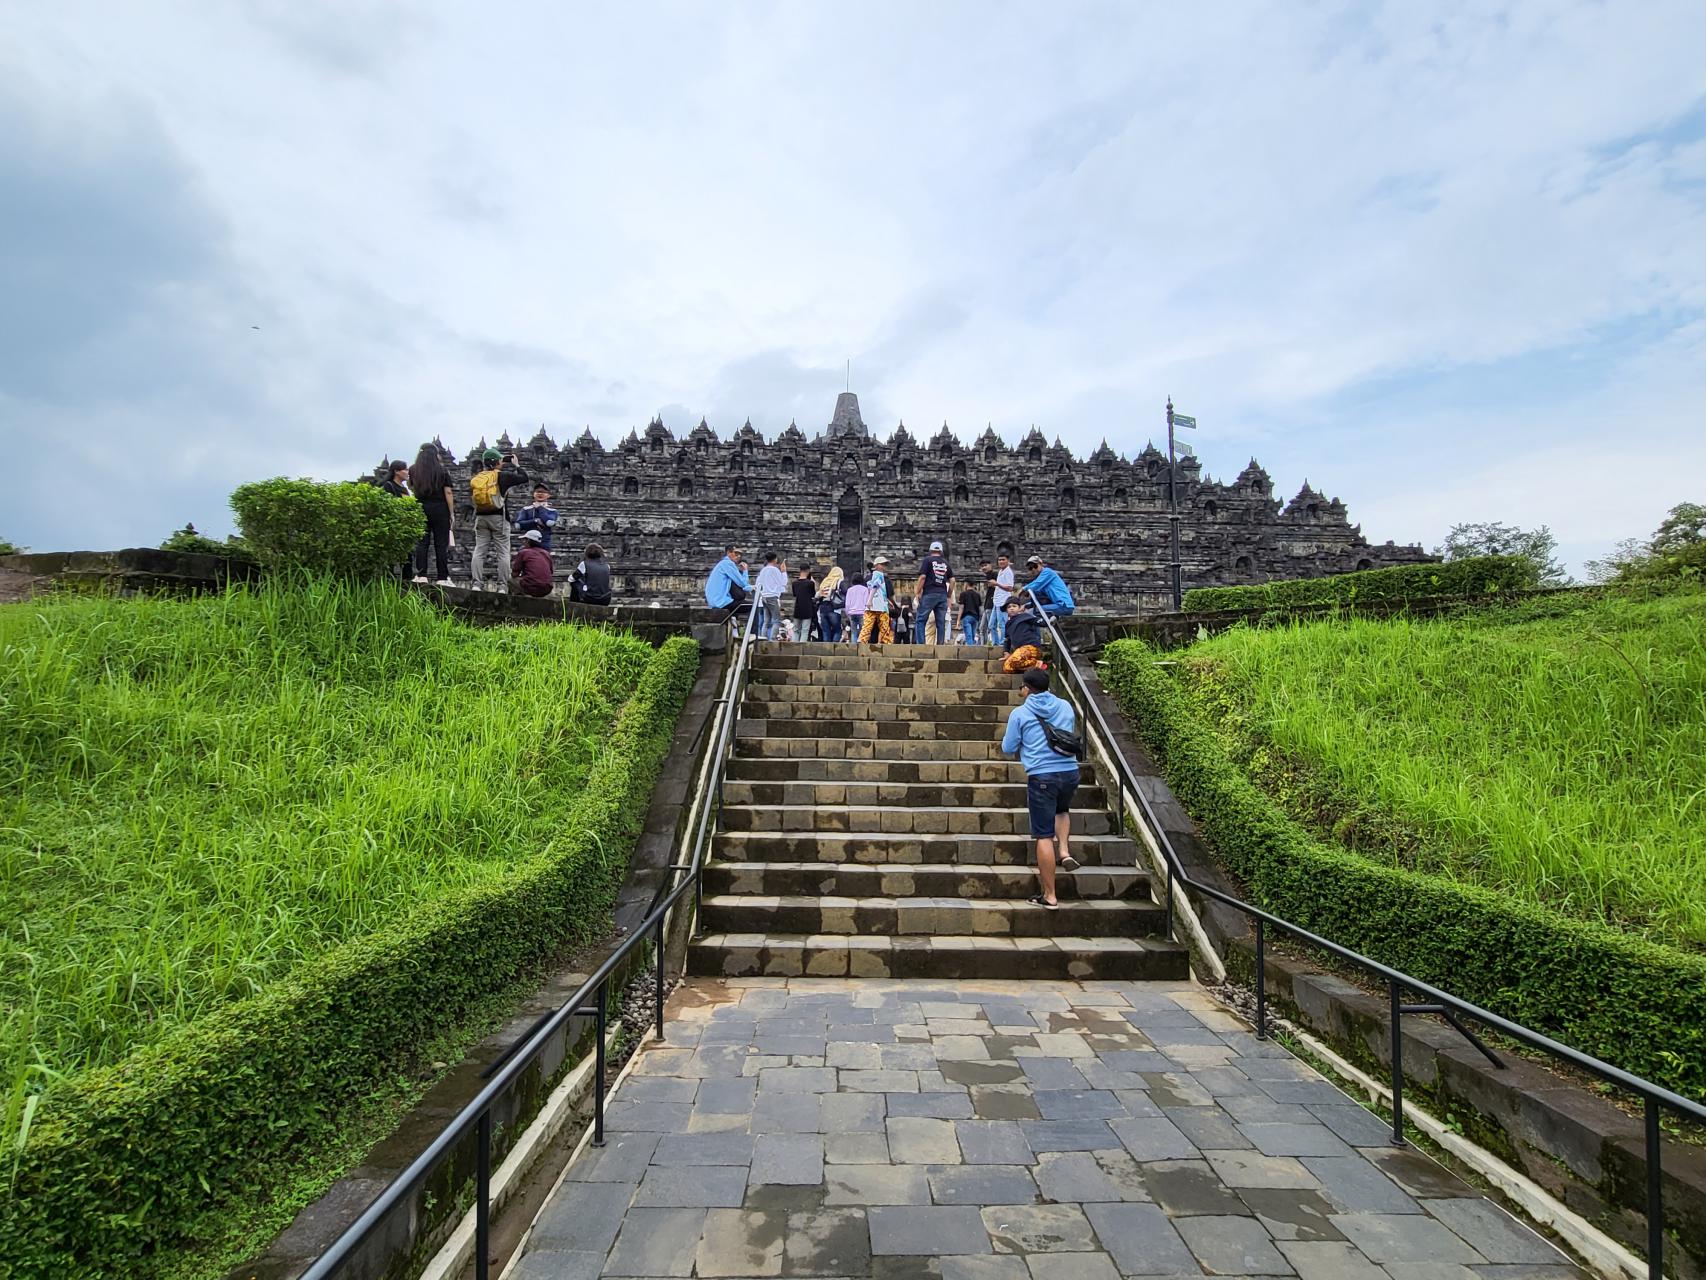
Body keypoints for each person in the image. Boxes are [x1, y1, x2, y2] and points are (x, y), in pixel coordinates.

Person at [1002, 666, 1083, 910]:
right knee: (1062, 809)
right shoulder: (1065, 706)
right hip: (1069, 772)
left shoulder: (1021, 714)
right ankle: (1065, 851)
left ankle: (1050, 895)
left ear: (1027, 688)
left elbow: (1008, 746)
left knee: (1043, 835)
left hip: (1042, 775)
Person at [470, 448, 530, 591]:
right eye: (501, 461)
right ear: (497, 462)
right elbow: (524, 477)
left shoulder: (478, 477)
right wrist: (516, 465)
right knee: (503, 552)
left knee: (479, 551)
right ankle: (502, 586)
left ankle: (476, 584)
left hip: (480, 517)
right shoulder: (502, 476)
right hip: (499, 517)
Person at [409, 444, 455, 586]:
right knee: (441, 544)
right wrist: (451, 513)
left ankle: (421, 575)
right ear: (435, 454)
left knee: (422, 543)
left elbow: (411, 487)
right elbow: (448, 492)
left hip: (421, 508)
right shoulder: (442, 471)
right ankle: (442, 577)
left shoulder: (413, 470)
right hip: (440, 509)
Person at [914, 540, 954, 644]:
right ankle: (940, 645)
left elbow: (922, 577)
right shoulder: (946, 563)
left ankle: (921, 645)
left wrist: (917, 591)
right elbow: (952, 580)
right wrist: (949, 595)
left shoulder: (928, 560)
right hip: (942, 595)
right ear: (941, 551)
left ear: (931, 550)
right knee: (940, 623)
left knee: (921, 620)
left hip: (929, 593)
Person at [704, 545, 751, 623]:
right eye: (736, 553)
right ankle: (754, 633)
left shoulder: (721, 565)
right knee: (753, 606)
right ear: (729, 552)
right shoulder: (728, 563)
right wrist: (745, 571)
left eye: (740, 554)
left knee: (739, 600)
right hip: (722, 602)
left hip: (715, 602)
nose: (738, 556)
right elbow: (743, 583)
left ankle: (734, 625)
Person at [1001, 597, 1046, 674]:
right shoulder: (1008, 624)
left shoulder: (1025, 616)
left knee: (1014, 661)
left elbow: (1038, 621)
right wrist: (1006, 652)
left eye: (1014, 606)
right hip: (1020, 652)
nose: (1011, 608)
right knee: (1007, 668)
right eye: (1009, 607)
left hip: (1031, 647)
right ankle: (1034, 665)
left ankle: (1035, 664)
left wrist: (1050, 619)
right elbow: (1007, 639)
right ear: (1006, 610)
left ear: (1019, 608)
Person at [858, 556, 895, 645]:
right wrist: (870, 600)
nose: (884, 566)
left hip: (875, 602)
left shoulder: (873, 575)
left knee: (868, 623)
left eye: (884, 565)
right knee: (884, 624)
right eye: (882, 564)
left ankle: (862, 639)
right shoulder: (879, 575)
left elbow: (878, 590)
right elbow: (875, 587)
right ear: (877, 565)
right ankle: (886, 640)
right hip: (879, 605)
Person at [509, 528, 554, 598]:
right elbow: (550, 572)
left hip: (530, 587)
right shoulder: (546, 553)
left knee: (510, 579)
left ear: (528, 541)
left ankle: (520, 601)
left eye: (525, 540)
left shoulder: (524, 552)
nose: (523, 542)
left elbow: (515, 573)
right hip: (547, 588)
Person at [515, 483, 559, 550]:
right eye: (537, 492)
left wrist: (540, 508)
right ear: (533, 494)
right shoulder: (526, 509)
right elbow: (518, 525)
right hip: (528, 542)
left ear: (548, 495)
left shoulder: (552, 511)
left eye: (543, 492)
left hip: (544, 543)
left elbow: (549, 522)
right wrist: (535, 521)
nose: (540, 494)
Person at [755, 552, 788, 641]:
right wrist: (784, 572)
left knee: (766, 621)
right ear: (775, 559)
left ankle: (763, 638)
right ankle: (772, 639)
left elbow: (759, 584)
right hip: (772, 596)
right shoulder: (774, 570)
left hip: (764, 597)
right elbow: (782, 582)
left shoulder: (763, 570)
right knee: (776, 620)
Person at [989, 552, 1016, 646]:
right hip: (996, 601)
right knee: (991, 625)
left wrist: (997, 584)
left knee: (1002, 624)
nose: (1001, 561)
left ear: (1008, 561)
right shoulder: (1001, 571)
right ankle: (995, 642)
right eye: (999, 560)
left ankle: (1003, 643)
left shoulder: (1008, 572)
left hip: (1003, 602)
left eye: (1003, 559)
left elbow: (1010, 588)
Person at [815, 565, 846, 644]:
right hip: (834, 609)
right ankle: (834, 649)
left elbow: (817, 594)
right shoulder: (839, 581)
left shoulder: (825, 581)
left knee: (826, 631)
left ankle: (826, 651)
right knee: (837, 630)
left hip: (823, 609)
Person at [790, 563, 818, 643]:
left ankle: (794, 647)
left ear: (800, 570)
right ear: (808, 571)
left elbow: (795, 594)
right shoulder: (810, 583)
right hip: (807, 609)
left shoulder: (794, 583)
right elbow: (813, 594)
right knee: (805, 630)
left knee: (796, 630)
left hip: (798, 608)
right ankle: (802, 647)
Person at [843, 572, 869, 645]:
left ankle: (854, 647)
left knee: (854, 632)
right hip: (862, 612)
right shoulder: (865, 589)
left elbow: (847, 603)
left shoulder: (850, 590)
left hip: (852, 613)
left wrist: (847, 613)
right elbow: (866, 602)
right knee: (863, 632)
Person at [977, 560, 998, 644]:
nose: (984, 567)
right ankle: (983, 645)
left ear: (991, 565)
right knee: (982, 628)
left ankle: (994, 643)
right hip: (987, 604)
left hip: (991, 604)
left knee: (991, 626)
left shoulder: (994, 575)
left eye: (985, 565)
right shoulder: (988, 576)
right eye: (982, 566)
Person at [957, 578, 982, 645]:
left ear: (966, 584)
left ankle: (970, 652)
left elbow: (961, 607)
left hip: (966, 616)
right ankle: (973, 650)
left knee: (968, 636)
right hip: (975, 617)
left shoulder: (963, 594)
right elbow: (979, 608)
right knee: (973, 636)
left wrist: (958, 620)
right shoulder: (978, 595)